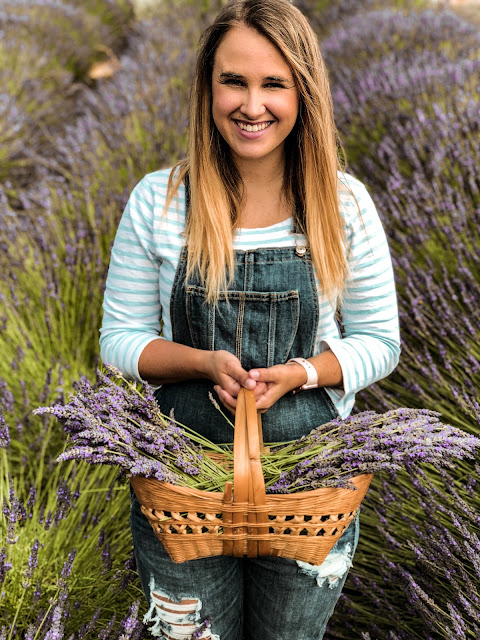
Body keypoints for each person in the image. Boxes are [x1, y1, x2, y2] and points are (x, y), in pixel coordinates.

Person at [100, 0, 400, 637]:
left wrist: (298, 373)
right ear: (208, 90)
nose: (251, 104)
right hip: (183, 485)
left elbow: (379, 342)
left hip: (306, 489)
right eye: (233, 81)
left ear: (304, 93)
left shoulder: (343, 205)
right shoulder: (159, 200)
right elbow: (119, 339)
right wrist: (202, 362)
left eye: (274, 84)